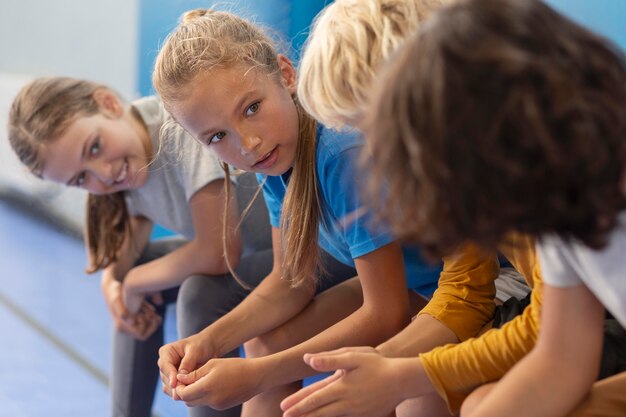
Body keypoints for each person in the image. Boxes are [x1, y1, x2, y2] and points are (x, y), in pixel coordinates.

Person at [282, 0, 626, 416]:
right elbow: (562, 352)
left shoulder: (585, 179)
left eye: (383, 132)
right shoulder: (530, 192)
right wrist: (394, 375)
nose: (380, 157)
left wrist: (406, 374)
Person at [149, 9, 472, 417]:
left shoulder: (339, 151)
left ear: (286, 74)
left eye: (251, 108)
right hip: (413, 287)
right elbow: (289, 281)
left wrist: (256, 376)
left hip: (450, 289)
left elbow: (385, 313)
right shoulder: (273, 157)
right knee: (264, 343)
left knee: (413, 400)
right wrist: (207, 341)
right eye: (218, 136)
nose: (246, 143)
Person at [7, 76, 275, 417]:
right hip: (256, 258)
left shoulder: (177, 126)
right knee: (139, 276)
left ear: (109, 104)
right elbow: (125, 259)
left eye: (94, 147)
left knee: (199, 291)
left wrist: (133, 284)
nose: (102, 175)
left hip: (306, 251)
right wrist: (115, 285)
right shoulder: (124, 165)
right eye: (80, 179)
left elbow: (219, 253)